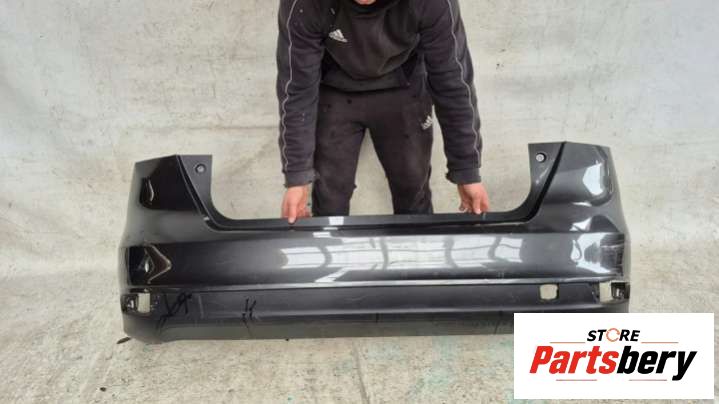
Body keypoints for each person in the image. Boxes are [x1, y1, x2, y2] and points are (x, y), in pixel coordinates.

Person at [276, 0, 490, 223]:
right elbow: (297, 89)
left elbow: (452, 81)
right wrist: (297, 178)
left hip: (404, 84)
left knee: (413, 189)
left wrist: (467, 170)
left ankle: (414, 242)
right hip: (335, 88)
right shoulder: (304, 4)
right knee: (330, 197)